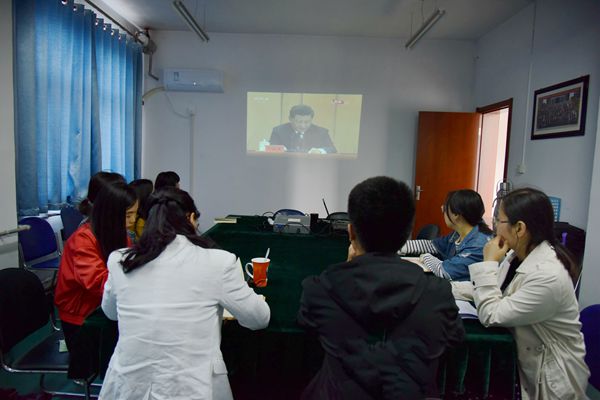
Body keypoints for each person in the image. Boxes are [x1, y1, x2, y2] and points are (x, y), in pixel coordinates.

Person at [297, 176, 464, 399]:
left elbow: (307, 324)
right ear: (406, 234)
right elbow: (454, 337)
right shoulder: (437, 293)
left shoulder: (321, 289)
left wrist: (348, 266)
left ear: (351, 232)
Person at [99, 187, 270, 400]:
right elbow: (258, 319)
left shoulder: (120, 259)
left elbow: (111, 313)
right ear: (190, 218)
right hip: (192, 388)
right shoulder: (219, 262)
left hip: (128, 387)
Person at [468, 188, 589, 399]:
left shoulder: (547, 276)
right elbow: (494, 290)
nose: (494, 226)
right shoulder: (516, 256)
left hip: (553, 383)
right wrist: (447, 288)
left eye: (498, 220)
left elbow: (491, 314)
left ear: (519, 228)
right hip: (526, 362)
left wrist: (488, 263)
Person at [55, 181, 138, 349]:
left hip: (105, 307)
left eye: (135, 214)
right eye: (128, 215)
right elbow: (98, 282)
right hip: (83, 317)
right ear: (110, 214)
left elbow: (129, 265)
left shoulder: (120, 235)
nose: (133, 221)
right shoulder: (82, 240)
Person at [400, 189, 493, 281]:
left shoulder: (478, 244)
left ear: (456, 214)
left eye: (445, 207)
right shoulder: (459, 234)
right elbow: (432, 246)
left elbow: (444, 271)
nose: (442, 208)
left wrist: (425, 257)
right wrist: (399, 246)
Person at [269, 104, 337, 154]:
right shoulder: (278, 131)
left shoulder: (321, 132)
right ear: (290, 119)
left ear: (311, 119)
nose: (303, 126)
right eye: (299, 122)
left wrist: (320, 151)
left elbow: (332, 149)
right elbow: (270, 148)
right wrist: (279, 149)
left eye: (307, 122)